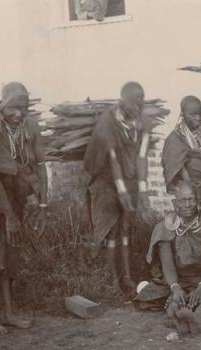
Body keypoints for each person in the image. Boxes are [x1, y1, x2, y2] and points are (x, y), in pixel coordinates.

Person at [0, 82, 48, 335]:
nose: (19, 113)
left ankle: (8, 313)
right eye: (14, 107)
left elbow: (39, 164)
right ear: (3, 105)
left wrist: (43, 203)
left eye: (24, 108)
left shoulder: (29, 127)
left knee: (8, 256)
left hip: (12, 199)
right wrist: (10, 216)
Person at [136, 181, 201, 336]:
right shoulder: (166, 226)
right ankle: (177, 312)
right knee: (165, 293)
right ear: (175, 203)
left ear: (198, 201)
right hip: (178, 278)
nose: (188, 205)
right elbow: (167, 265)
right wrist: (175, 287)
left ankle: (199, 316)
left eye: (191, 199)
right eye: (183, 200)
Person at [83, 81, 150, 294]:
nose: (139, 104)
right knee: (112, 229)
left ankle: (128, 277)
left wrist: (143, 188)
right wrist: (121, 191)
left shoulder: (143, 121)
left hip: (128, 177)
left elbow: (142, 156)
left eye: (142, 99)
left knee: (126, 228)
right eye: (134, 100)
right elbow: (112, 159)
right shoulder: (108, 121)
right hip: (106, 180)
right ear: (123, 100)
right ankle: (113, 280)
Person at [161, 96, 201, 214]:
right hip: (190, 194)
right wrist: (193, 193)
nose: (198, 118)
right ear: (183, 114)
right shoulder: (175, 139)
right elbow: (178, 169)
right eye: (193, 114)